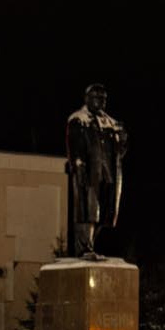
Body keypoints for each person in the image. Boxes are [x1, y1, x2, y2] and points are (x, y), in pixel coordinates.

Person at [66, 84, 127, 258]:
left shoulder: (111, 123)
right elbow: (74, 147)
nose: (100, 102)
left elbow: (120, 152)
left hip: (107, 173)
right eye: (96, 98)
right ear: (87, 98)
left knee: (104, 212)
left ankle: (91, 245)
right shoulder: (78, 120)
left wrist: (122, 140)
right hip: (89, 172)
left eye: (103, 99)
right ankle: (84, 247)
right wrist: (78, 166)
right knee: (87, 210)